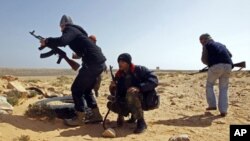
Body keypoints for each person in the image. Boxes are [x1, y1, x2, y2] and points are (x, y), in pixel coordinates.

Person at [40, 15, 106, 126]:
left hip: (91, 64)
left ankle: (79, 118)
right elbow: (78, 51)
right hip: (98, 64)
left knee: (76, 89)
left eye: (61, 27)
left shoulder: (70, 29)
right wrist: (52, 45)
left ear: (63, 25)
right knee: (86, 90)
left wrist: (47, 40)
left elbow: (62, 40)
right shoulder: (77, 33)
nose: (61, 29)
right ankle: (96, 116)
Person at [108, 53, 158, 134]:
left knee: (131, 93)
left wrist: (139, 88)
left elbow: (154, 81)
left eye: (123, 61)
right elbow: (117, 93)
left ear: (128, 62)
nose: (120, 64)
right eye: (119, 62)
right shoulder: (119, 75)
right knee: (111, 100)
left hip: (144, 98)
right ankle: (123, 116)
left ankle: (141, 122)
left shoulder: (140, 69)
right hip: (128, 99)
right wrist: (113, 87)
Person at [200, 33, 233, 117]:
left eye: (201, 40)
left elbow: (203, 60)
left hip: (216, 66)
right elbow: (230, 55)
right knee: (224, 88)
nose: (200, 42)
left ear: (204, 39)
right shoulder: (222, 44)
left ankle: (212, 105)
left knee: (209, 85)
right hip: (228, 65)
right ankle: (223, 111)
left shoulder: (207, 45)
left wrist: (211, 63)